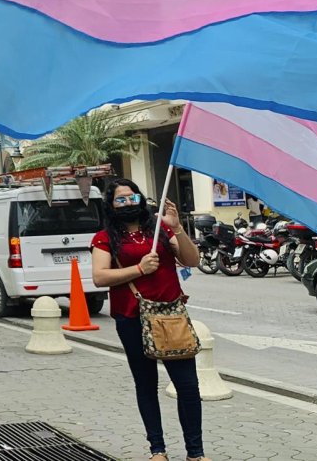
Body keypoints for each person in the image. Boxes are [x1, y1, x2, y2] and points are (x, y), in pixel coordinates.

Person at [90, 179, 207, 461]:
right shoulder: (104, 237)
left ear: (141, 199)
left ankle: (196, 453)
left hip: (171, 315)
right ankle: (158, 450)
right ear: (111, 204)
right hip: (131, 317)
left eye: (133, 197)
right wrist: (139, 269)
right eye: (121, 199)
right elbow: (100, 277)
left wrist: (178, 227)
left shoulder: (161, 229)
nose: (129, 203)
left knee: (188, 385)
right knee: (146, 382)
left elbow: (192, 260)